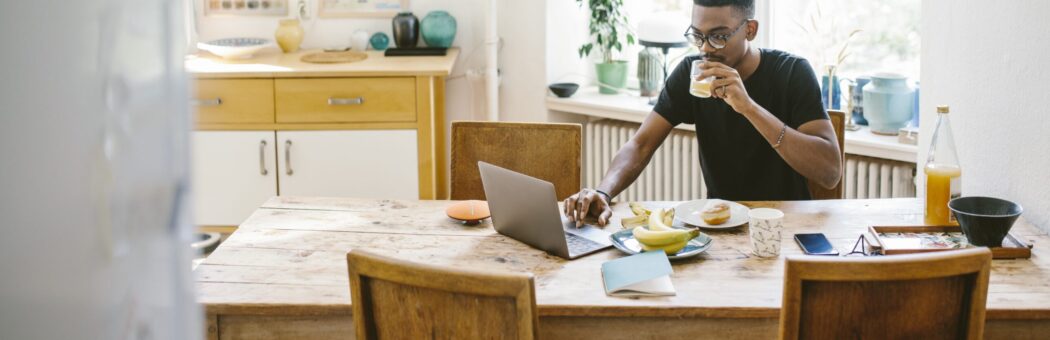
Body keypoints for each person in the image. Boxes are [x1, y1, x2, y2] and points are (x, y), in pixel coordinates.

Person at [565, 0, 841, 227]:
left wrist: (749, 107)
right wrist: (603, 191)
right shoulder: (689, 72)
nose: (706, 48)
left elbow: (830, 172)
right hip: (720, 222)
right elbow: (641, 144)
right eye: (697, 36)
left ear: (750, 30)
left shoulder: (792, 73)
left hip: (784, 222)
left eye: (719, 36)